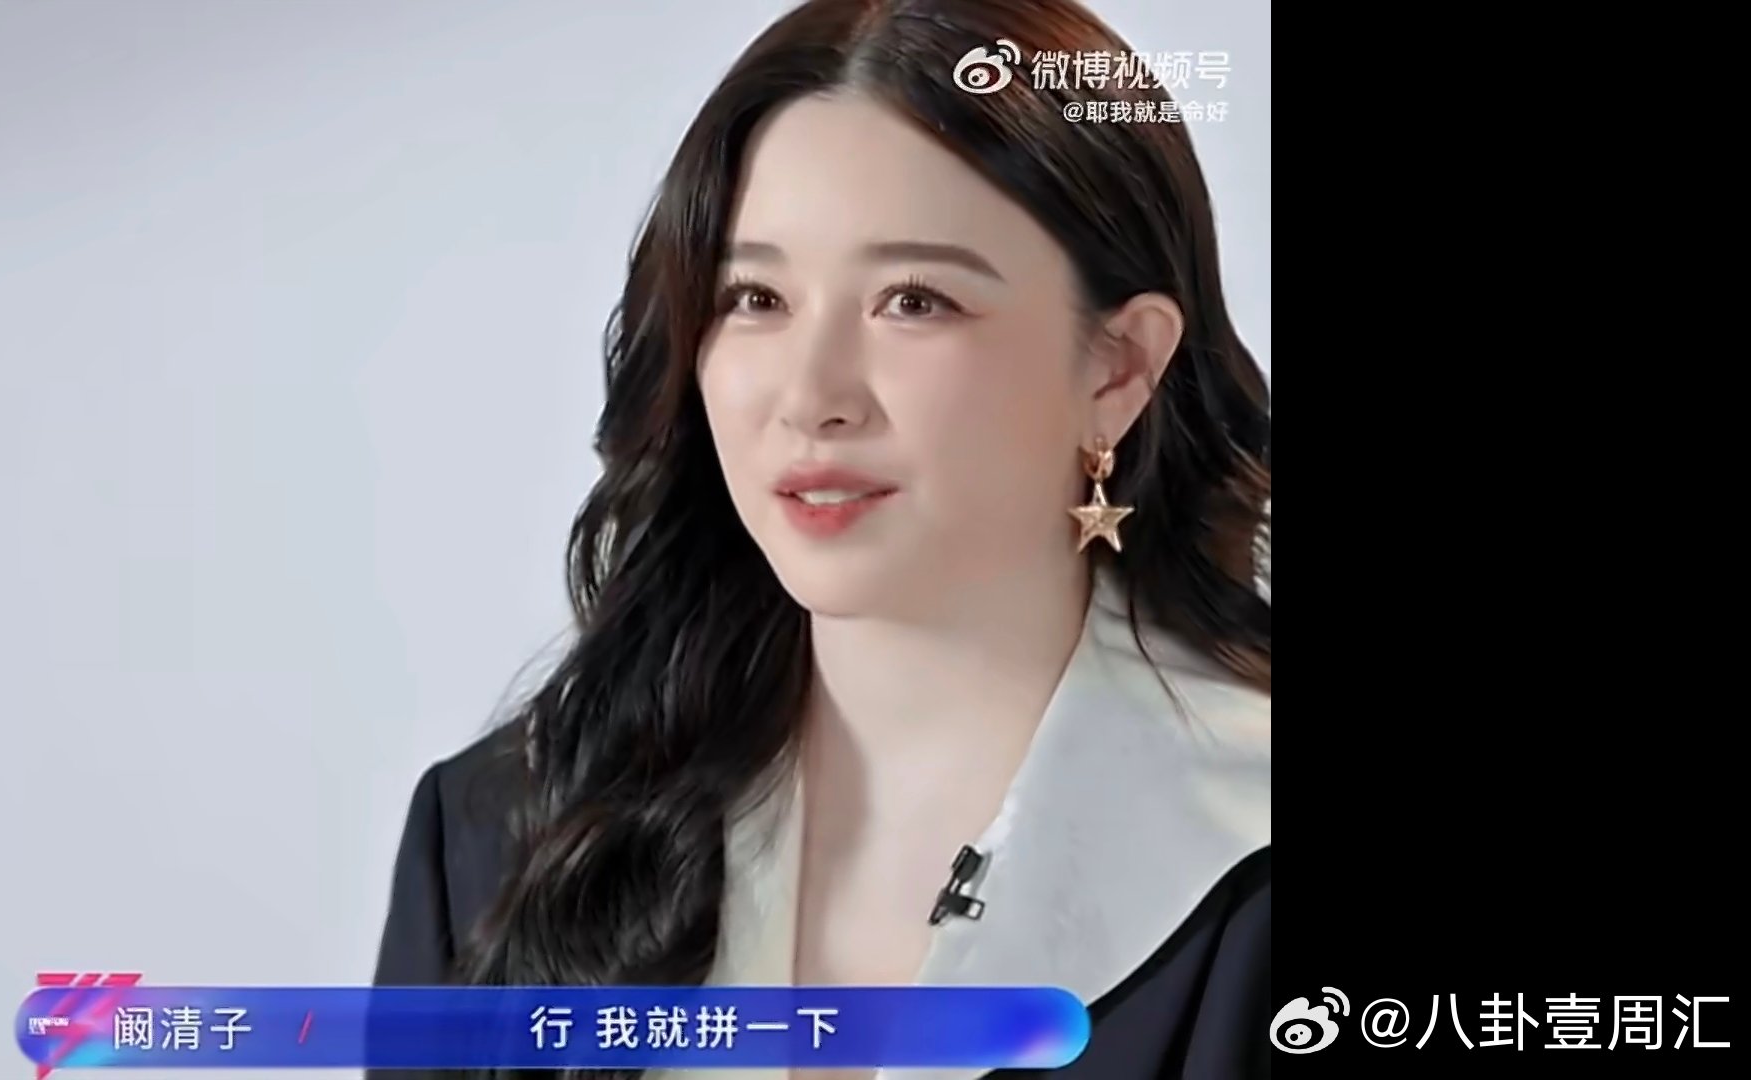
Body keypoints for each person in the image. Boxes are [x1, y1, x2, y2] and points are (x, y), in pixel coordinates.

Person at [372, 1, 1270, 1077]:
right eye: (755, 296)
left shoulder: (1244, 855)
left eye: (914, 300)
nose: (810, 396)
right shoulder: (501, 837)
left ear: (1119, 367)